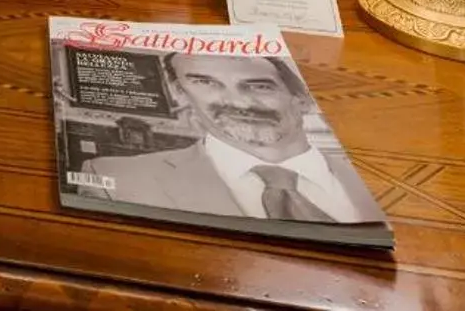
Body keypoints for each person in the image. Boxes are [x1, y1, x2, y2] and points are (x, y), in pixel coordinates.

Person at [75, 53, 376, 224]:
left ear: (302, 99)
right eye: (206, 83)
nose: (239, 103)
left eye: (260, 87)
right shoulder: (115, 178)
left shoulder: (372, 176)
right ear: (181, 94)